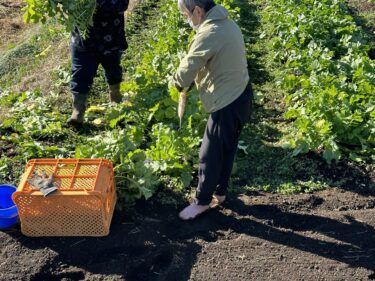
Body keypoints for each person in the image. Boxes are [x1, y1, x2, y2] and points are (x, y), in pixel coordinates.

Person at [173, 0, 252, 220]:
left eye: (186, 15)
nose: (186, 20)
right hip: (242, 95)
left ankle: (202, 202)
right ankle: (220, 193)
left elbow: (188, 68)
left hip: (228, 102)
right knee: (226, 148)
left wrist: (178, 82)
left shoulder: (209, 32)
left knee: (209, 152)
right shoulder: (227, 23)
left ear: (197, 11)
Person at [67, 0, 129, 128]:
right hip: (83, 38)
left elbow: (122, 4)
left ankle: (116, 99)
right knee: (80, 72)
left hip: (110, 35)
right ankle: (78, 111)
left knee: (113, 70)